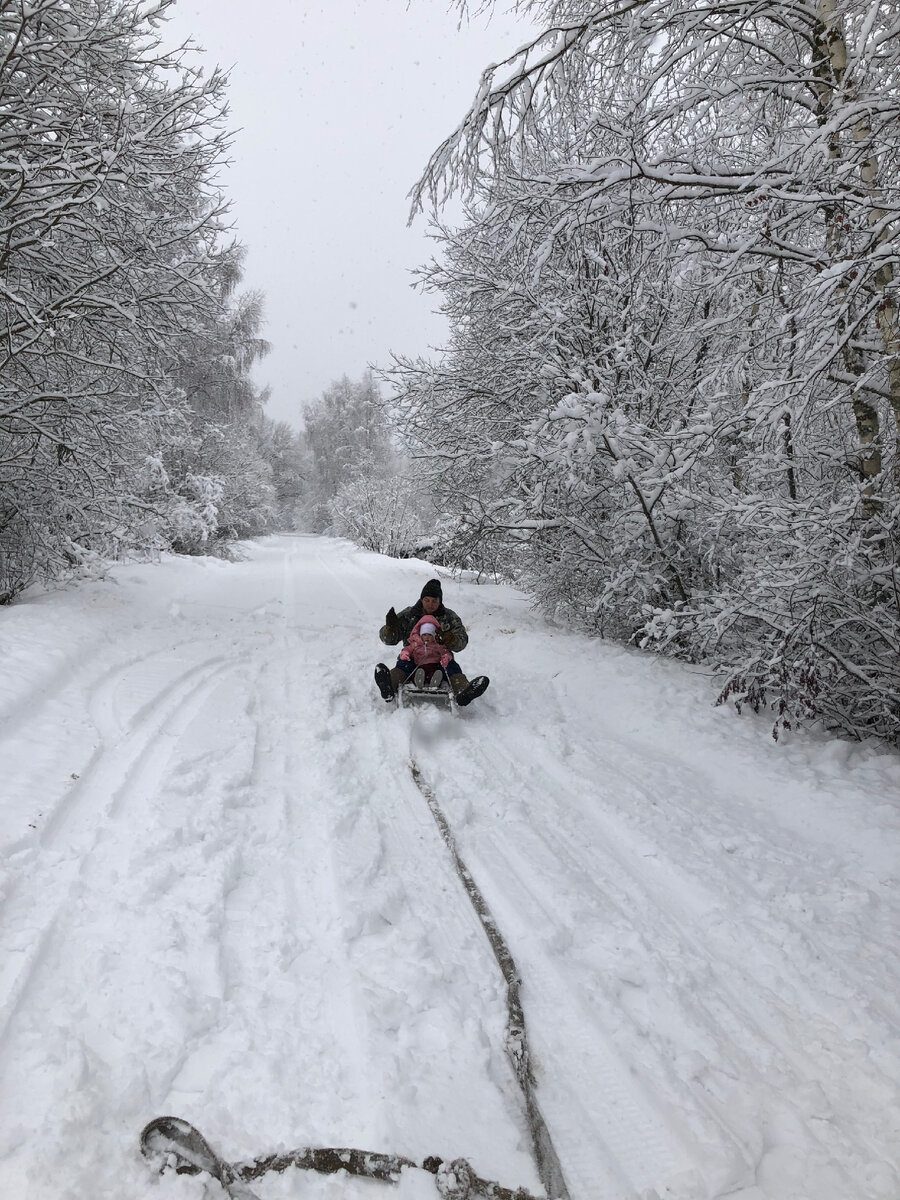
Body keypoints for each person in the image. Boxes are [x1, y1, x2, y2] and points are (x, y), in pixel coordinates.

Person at [374, 578, 489, 707]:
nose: (430, 604)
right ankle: (389, 686)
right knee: (403, 665)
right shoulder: (409, 615)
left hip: (440, 659)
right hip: (413, 656)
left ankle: (463, 692)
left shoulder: (449, 617)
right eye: (427, 600)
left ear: (440, 601)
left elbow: (462, 641)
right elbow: (388, 640)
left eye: (434, 601)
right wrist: (390, 630)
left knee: (451, 667)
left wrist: (452, 639)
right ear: (421, 599)